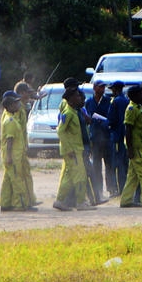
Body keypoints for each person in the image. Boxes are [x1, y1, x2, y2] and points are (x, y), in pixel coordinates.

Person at [52, 82, 95, 211]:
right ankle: (81, 202)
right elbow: (60, 131)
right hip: (73, 151)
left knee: (69, 176)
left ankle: (60, 201)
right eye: (77, 96)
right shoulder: (69, 113)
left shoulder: (74, 112)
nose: (79, 98)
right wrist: (69, 148)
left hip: (77, 149)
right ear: (70, 99)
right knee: (79, 176)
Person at [0, 92, 36, 211]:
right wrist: (9, 157)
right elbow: (9, 141)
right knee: (17, 180)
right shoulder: (10, 121)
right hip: (13, 156)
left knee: (9, 179)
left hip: (16, 154)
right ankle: (20, 204)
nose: (18, 104)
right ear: (9, 106)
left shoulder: (13, 118)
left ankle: (5, 203)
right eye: (15, 103)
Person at [83, 81, 111, 200]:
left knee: (109, 164)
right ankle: (98, 189)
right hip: (95, 137)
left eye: (103, 87)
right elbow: (87, 117)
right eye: (100, 87)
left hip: (106, 136)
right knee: (96, 165)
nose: (102, 89)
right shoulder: (89, 102)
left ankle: (111, 188)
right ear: (94, 88)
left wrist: (104, 122)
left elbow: (110, 117)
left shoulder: (108, 101)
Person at [106, 81, 129, 196]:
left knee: (116, 164)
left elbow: (111, 119)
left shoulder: (115, 102)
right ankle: (124, 187)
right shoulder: (127, 101)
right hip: (125, 136)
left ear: (115, 89)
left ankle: (117, 189)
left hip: (116, 136)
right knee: (124, 164)